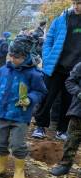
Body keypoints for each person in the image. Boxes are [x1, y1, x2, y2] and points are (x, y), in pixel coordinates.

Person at [0, 35, 47, 178]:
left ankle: (19, 170)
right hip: (1, 113)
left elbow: (40, 91)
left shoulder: (34, 74)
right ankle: (1, 166)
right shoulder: (4, 70)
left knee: (18, 144)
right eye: (11, 55)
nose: (12, 59)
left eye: (16, 56)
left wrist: (30, 99)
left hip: (20, 116)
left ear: (25, 56)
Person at [32, 1, 81, 141]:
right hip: (55, 67)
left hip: (75, 71)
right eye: (75, 3)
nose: (76, 6)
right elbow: (49, 40)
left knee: (68, 101)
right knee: (46, 98)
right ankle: (40, 127)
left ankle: (62, 130)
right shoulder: (61, 19)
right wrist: (47, 58)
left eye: (79, 3)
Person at [50, 62, 81, 176]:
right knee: (71, 140)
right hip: (78, 112)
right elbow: (69, 81)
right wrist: (78, 92)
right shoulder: (79, 66)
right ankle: (65, 165)